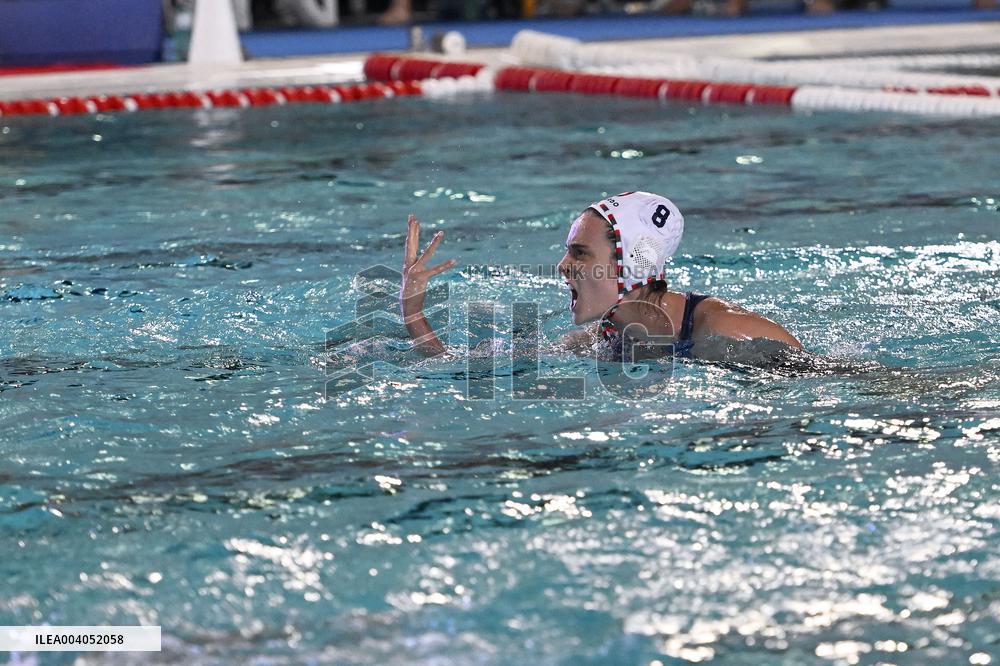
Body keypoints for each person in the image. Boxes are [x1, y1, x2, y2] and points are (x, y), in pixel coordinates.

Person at [399, 191, 802, 360]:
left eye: (579, 253)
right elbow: (461, 365)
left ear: (633, 265)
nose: (562, 266)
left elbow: (836, 380)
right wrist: (412, 308)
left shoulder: (725, 328)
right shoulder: (607, 335)